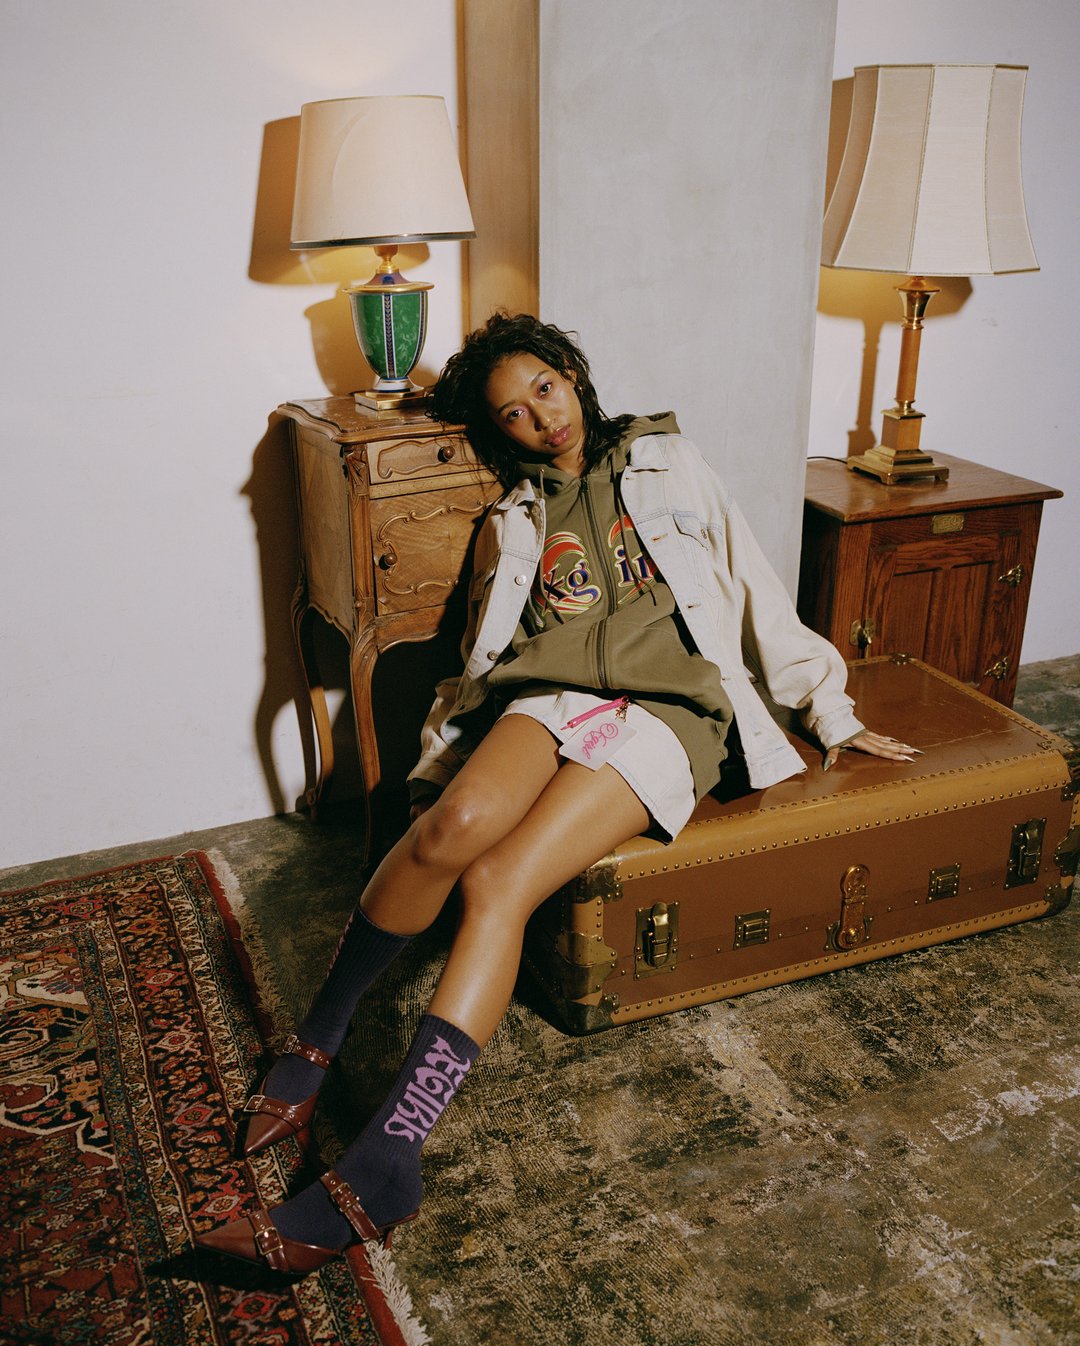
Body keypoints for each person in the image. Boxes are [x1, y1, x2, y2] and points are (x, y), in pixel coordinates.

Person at [196, 313, 917, 1276]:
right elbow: (481, 655)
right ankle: (317, 1041)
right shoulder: (513, 517)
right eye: (514, 412)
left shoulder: (670, 461)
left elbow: (755, 586)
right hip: (552, 694)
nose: (542, 416)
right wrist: (443, 755)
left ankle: (389, 1160)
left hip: (671, 710)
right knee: (451, 826)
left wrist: (828, 708)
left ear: (572, 374)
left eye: (545, 388)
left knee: (499, 882)